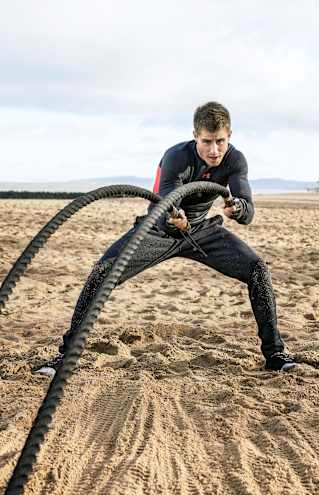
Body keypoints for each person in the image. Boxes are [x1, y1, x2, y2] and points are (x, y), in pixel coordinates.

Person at [36, 101, 297, 376]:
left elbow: (248, 210)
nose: (214, 150)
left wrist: (240, 208)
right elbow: (165, 203)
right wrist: (175, 220)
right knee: (102, 273)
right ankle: (65, 357)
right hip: (160, 229)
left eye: (220, 141)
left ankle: (275, 354)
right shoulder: (176, 157)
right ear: (195, 136)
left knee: (257, 269)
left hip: (201, 232)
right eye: (207, 141)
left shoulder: (235, 159)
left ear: (229, 136)